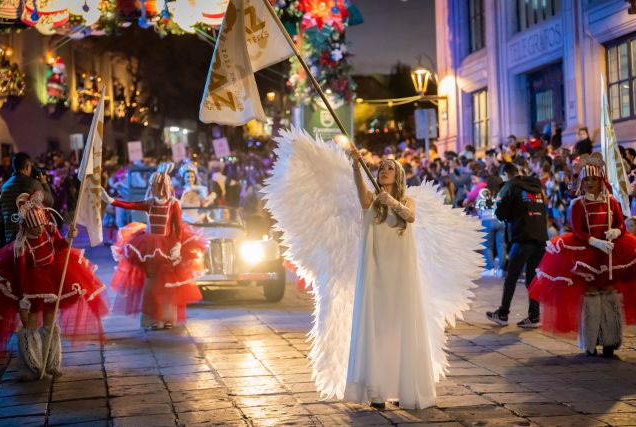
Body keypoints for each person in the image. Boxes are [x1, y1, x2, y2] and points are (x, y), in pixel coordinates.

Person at [261, 128, 483, 410]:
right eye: (381, 168)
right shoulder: (371, 203)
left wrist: (388, 200)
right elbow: (361, 192)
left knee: (400, 327)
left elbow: (409, 215)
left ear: (398, 175)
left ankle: (403, 385)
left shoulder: (405, 201)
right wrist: (355, 165)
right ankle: (377, 389)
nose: (385, 171)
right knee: (377, 329)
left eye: (390, 168)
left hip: (401, 273)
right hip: (376, 271)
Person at [528, 154, 636, 357]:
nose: (590, 183)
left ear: (601, 180)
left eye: (594, 179)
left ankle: (611, 340)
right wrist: (594, 241)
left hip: (609, 254)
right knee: (591, 296)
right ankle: (590, 340)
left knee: (609, 294)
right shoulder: (577, 204)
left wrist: (617, 232)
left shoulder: (611, 201)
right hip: (587, 254)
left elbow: (620, 223)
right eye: (586, 179)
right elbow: (577, 230)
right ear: (582, 181)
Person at [0, 191, 108, 380]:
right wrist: (23, 301)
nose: (39, 231)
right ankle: (33, 365)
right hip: (30, 284)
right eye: (35, 229)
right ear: (26, 227)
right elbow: (21, 274)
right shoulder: (21, 245)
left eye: (40, 226)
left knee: (51, 319)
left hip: (52, 278)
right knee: (30, 323)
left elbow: (59, 246)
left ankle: (52, 362)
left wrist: (69, 237)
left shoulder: (48, 228)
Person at [102, 163, 205, 330]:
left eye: (157, 185)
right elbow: (131, 205)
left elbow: (177, 227)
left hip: (167, 246)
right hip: (149, 247)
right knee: (151, 284)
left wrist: (177, 244)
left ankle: (168, 318)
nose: (155, 188)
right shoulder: (150, 202)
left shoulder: (173, 204)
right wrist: (111, 201)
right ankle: (153, 318)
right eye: (154, 185)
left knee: (167, 285)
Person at [486, 162, 548, 328]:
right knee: (532, 278)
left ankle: (503, 314)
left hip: (522, 237)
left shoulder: (510, 186)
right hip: (541, 237)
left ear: (506, 174)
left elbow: (499, 211)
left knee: (511, 276)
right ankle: (534, 316)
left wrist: (509, 215)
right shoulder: (536, 187)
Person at [0, 152, 54, 244]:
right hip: (29, 240)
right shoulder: (33, 183)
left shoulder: (5, 186)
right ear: (27, 167)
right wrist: (44, 183)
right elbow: (50, 201)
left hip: (10, 239)